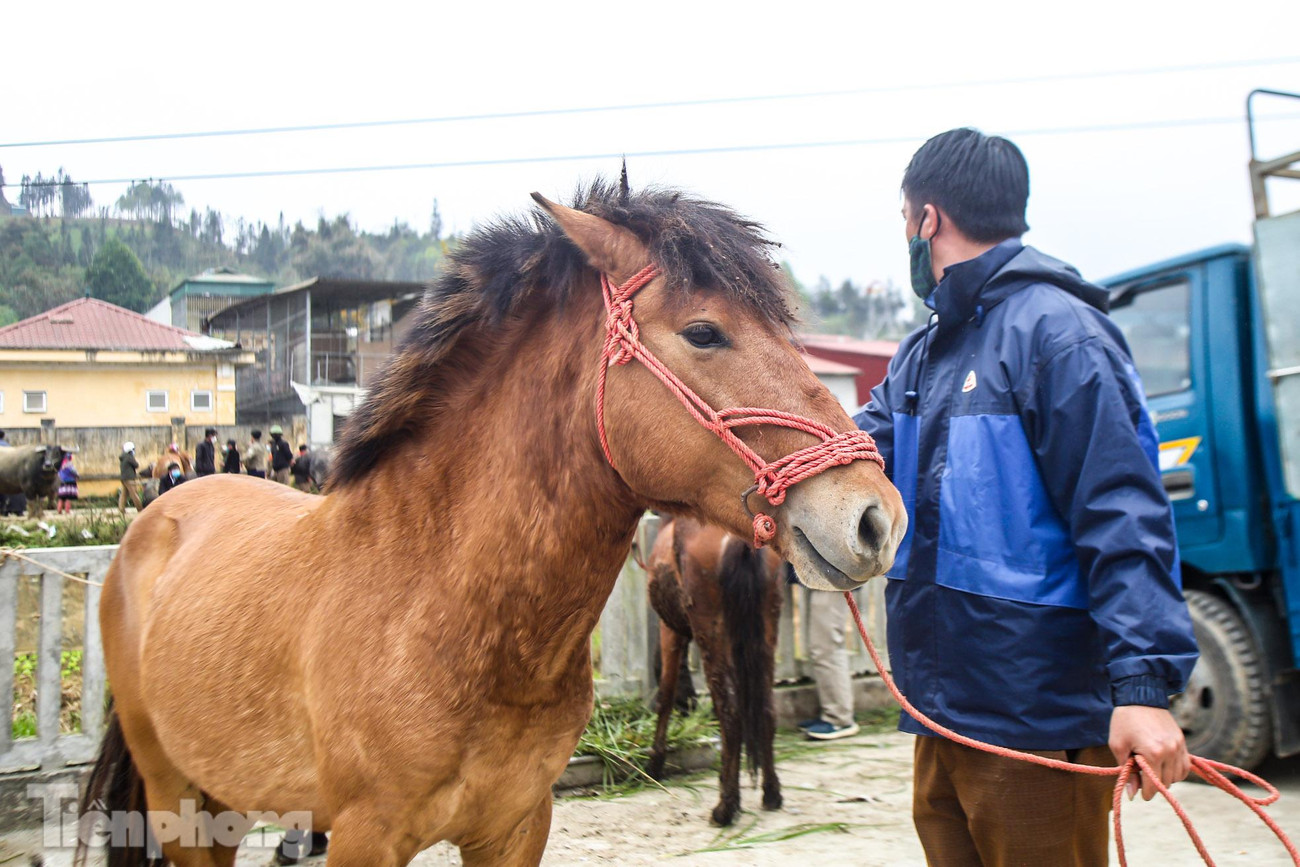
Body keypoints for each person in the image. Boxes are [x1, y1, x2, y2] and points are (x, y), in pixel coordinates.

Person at [853, 128, 1198, 866]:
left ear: (926, 218)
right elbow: (855, 458)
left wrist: (1140, 686)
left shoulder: (1060, 333)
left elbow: (1122, 511)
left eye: (903, 218)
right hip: (941, 709)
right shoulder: (922, 353)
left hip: (1034, 714)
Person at [797, 584, 861, 741]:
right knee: (822, 644)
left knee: (827, 644)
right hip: (824, 574)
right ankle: (835, 712)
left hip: (833, 574)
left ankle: (839, 719)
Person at [119, 442, 142, 512]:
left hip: (124, 478)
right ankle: (140, 509)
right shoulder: (129, 457)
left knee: (124, 494)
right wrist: (132, 457)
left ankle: (121, 509)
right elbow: (136, 465)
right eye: (133, 449)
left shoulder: (123, 457)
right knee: (134, 494)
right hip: (129, 478)